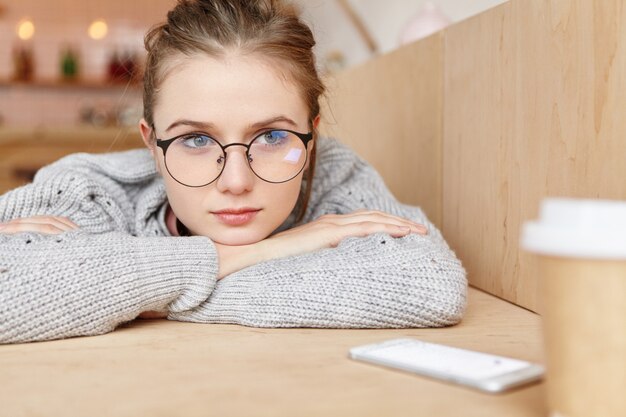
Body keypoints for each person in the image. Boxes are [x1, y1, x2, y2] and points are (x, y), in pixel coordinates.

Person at [0, 0, 466, 344]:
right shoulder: (91, 189)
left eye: (272, 137)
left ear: (312, 134)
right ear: (152, 144)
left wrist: (123, 294)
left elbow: (428, 284)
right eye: (196, 140)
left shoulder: (334, 176)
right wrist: (260, 252)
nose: (237, 181)